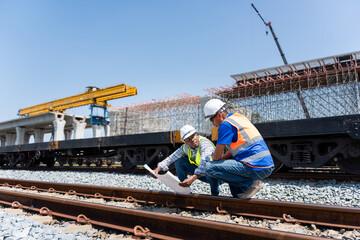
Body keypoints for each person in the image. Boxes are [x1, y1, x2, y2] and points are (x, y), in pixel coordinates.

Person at [203, 99, 274, 199]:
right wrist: (223, 161)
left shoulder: (225, 124)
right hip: (264, 164)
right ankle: (241, 199)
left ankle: (251, 183)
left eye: (211, 119)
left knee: (210, 167)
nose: (213, 123)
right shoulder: (238, 118)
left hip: (254, 166)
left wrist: (217, 162)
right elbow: (235, 149)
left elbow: (216, 157)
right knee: (236, 189)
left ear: (219, 115)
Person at [153, 124, 220, 196]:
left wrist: (193, 177)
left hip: (217, 176)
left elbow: (205, 162)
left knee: (210, 167)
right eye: (188, 139)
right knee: (179, 162)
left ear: (196, 134)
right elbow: (171, 158)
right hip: (202, 174)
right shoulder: (185, 147)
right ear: (185, 141)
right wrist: (158, 169)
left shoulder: (205, 144)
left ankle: (215, 195)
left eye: (193, 136)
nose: (192, 140)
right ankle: (184, 188)